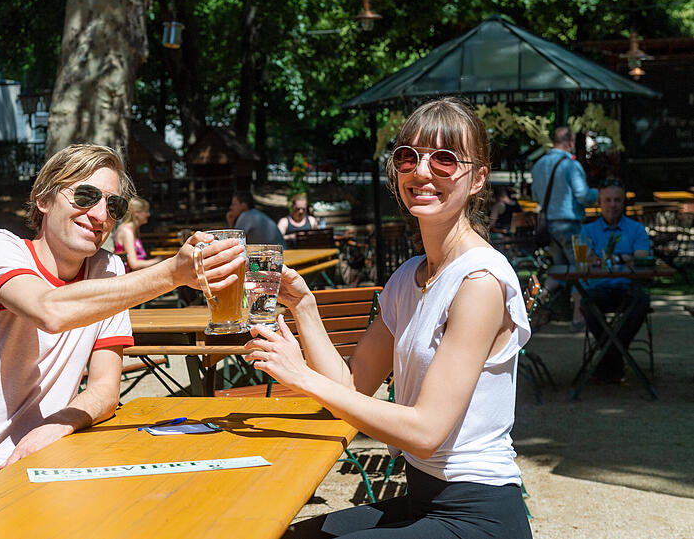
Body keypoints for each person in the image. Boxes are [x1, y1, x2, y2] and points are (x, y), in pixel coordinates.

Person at [0, 144, 244, 525]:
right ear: (43, 200)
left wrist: (55, 425)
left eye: (114, 206)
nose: (101, 215)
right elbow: (50, 310)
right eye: (85, 196)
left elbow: (105, 390)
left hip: (31, 481)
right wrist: (173, 274)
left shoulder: (108, 270)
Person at [246, 98, 533, 538]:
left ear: (478, 179)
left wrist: (301, 375)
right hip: (422, 499)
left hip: (478, 514)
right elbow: (353, 387)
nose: (422, 172)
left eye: (444, 160)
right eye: (408, 157)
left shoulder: (480, 282)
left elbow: (425, 432)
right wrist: (304, 307)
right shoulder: (407, 278)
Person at [579, 179, 651, 383]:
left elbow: (642, 256)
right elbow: (586, 259)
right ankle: (616, 355)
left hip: (628, 287)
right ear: (600, 202)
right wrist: (625, 257)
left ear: (623, 202)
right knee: (586, 303)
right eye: (608, 200)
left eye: (617, 200)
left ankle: (608, 358)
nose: (612, 204)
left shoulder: (636, 229)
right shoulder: (588, 230)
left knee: (642, 301)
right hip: (599, 287)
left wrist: (606, 259)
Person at [530, 127, 598, 327]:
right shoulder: (571, 165)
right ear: (569, 141)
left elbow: (535, 197)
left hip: (548, 225)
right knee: (580, 270)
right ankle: (578, 317)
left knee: (558, 271)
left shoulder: (539, 165)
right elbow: (583, 196)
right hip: (569, 225)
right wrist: (598, 193)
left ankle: (534, 305)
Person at [113, 196, 162, 271]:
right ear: (137, 213)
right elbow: (134, 264)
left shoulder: (133, 230)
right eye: (146, 211)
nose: (148, 214)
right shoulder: (126, 231)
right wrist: (157, 260)